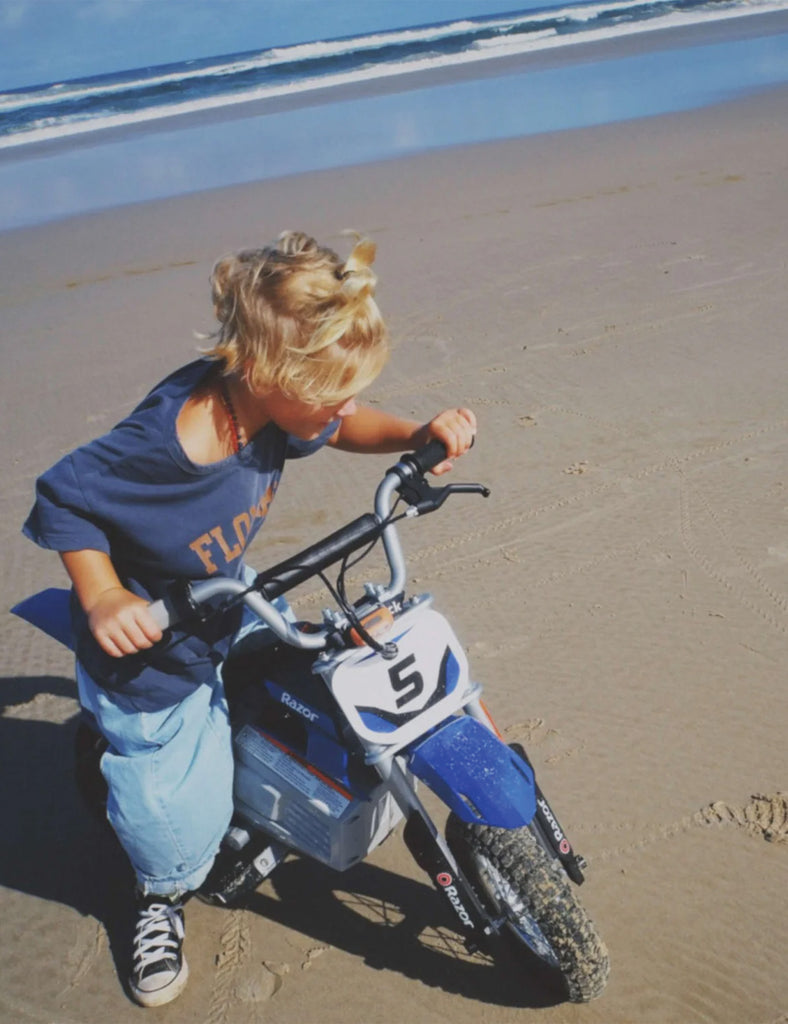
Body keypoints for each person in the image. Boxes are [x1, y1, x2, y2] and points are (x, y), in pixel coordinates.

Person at [23, 230, 476, 1008]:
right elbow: (63, 498)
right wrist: (101, 596)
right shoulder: (162, 445)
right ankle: (154, 895)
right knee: (183, 842)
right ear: (267, 374)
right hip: (151, 660)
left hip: (223, 601)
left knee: (321, 686)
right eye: (329, 394)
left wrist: (416, 437)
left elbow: (345, 424)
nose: (341, 409)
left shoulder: (276, 402)